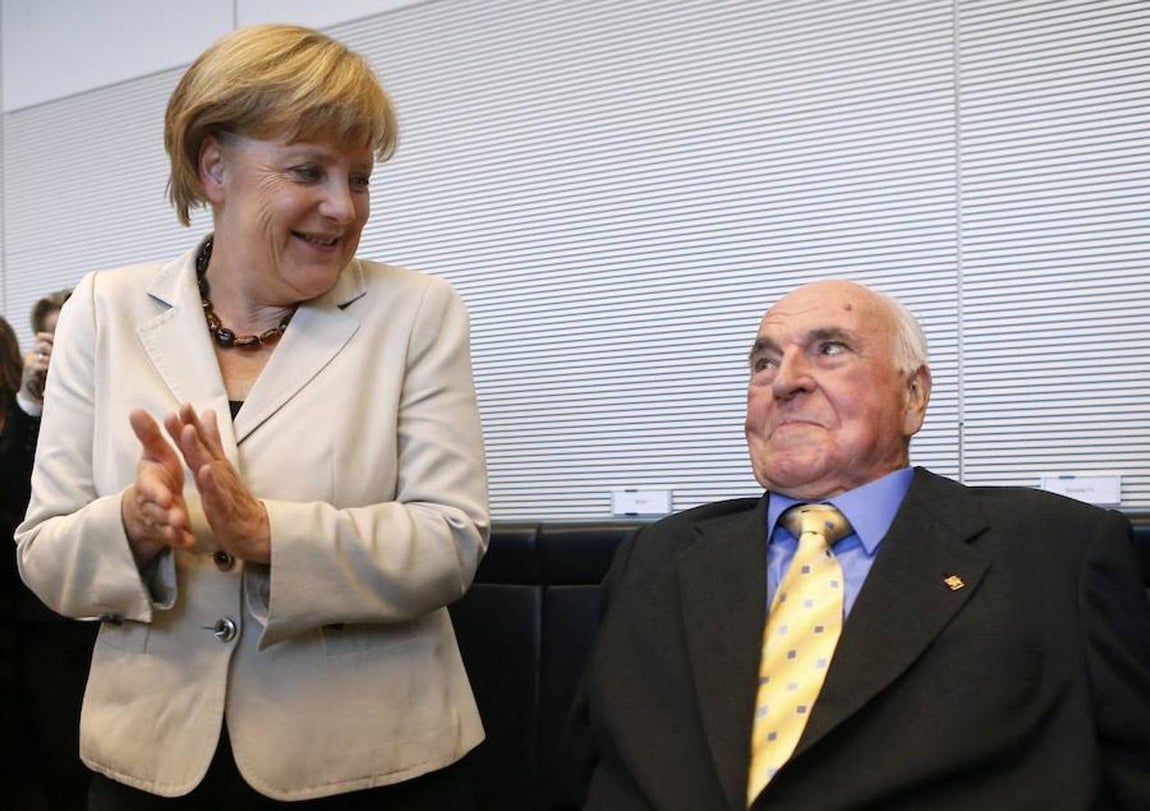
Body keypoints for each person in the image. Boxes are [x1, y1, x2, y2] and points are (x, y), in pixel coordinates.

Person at [16, 23, 489, 809]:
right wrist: (130, 525)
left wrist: (269, 533)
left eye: (361, 177)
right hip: (152, 763)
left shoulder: (418, 313)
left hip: (371, 765)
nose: (343, 208)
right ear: (214, 168)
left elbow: (451, 539)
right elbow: (43, 550)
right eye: (309, 170)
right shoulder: (103, 308)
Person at [564, 280, 1150, 809]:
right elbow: (578, 774)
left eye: (829, 349)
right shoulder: (655, 557)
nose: (785, 380)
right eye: (764, 361)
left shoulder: (1056, 551)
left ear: (914, 396)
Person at [2, 288, 99, 811]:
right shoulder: (30, 410)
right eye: (53, 339)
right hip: (47, 623)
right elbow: (15, 495)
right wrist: (32, 399)